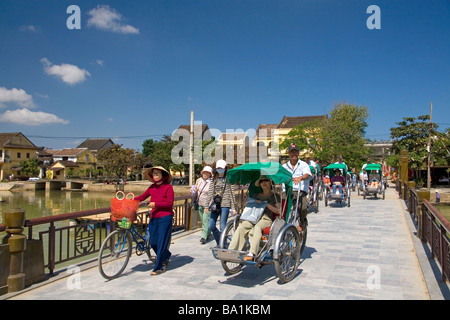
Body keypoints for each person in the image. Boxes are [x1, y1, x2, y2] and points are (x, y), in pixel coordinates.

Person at [228, 176, 281, 261]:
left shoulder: (275, 196)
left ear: (270, 183)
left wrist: (266, 204)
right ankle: (232, 250)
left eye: (266, 181)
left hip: (266, 218)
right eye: (261, 181)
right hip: (253, 216)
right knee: (242, 226)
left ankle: (252, 253)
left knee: (257, 228)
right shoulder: (256, 195)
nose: (264, 183)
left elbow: (279, 211)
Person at [134, 166, 174, 276]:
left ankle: (159, 267)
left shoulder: (168, 187)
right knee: (153, 242)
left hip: (165, 217)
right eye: (154, 174)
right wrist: (130, 201)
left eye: (157, 174)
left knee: (161, 242)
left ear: (163, 175)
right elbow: (142, 197)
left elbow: (169, 203)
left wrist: (156, 204)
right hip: (154, 217)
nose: (155, 176)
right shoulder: (152, 187)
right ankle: (166, 255)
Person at [204, 160, 237, 245]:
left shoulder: (229, 179)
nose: (220, 170)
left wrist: (233, 208)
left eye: (221, 168)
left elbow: (232, 193)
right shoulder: (213, 179)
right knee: (211, 225)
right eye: (218, 168)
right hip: (215, 205)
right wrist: (206, 205)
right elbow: (210, 192)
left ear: (225, 168)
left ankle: (223, 245)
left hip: (225, 205)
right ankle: (220, 241)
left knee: (222, 227)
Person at [282, 143, 311, 231]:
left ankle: (302, 221)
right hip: (287, 191)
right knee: (280, 207)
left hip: (300, 190)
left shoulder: (303, 165)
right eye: (292, 152)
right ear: (289, 154)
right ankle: (282, 224)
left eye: (295, 152)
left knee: (303, 207)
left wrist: (301, 177)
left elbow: (307, 174)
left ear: (298, 153)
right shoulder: (284, 166)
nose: (294, 154)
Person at [192, 165, 213, 244]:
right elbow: (196, 189)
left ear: (210, 174)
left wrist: (209, 205)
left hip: (208, 204)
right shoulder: (199, 181)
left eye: (207, 173)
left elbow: (212, 194)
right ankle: (208, 233)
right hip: (199, 203)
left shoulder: (211, 182)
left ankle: (203, 237)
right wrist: (193, 191)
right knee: (203, 220)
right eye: (204, 172)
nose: (205, 174)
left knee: (205, 220)